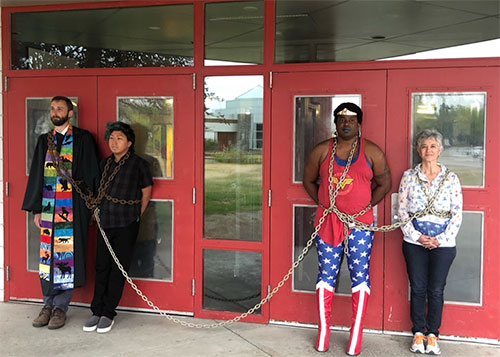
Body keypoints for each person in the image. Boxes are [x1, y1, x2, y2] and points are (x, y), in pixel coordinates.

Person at [303, 103, 391, 355]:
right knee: (325, 276)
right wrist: (324, 204)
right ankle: (323, 334)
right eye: (342, 120)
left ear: (359, 123)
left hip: (360, 225)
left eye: (352, 120)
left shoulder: (372, 151)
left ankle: (355, 339)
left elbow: (385, 183)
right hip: (327, 222)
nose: (346, 124)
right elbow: (308, 179)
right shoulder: (322, 151)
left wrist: (365, 206)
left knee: (359, 277)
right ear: (335, 123)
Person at [22, 96, 100, 329]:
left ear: (70, 113)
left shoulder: (83, 139)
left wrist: (92, 206)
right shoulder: (43, 141)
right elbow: (37, 174)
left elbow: (91, 173)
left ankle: (60, 308)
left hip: (73, 206)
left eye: (60, 108)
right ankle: (47, 304)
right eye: (52, 108)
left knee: (66, 255)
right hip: (48, 207)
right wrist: (36, 209)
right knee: (48, 255)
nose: (55, 111)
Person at [83, 121, 153, 334]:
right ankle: (96, 310)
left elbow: (146, 191)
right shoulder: (104, 164)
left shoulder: (139, 164)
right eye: (112, 138)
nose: (114, 142)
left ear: (129, 143)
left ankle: (108, 312)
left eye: (119, 138)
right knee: (101, 266)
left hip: (126, 224)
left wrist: (135, 216)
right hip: (105, 225)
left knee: (117, 269)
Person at [398, 129, 462, 355]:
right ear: (418, 150)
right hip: (414, 243)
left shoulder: (451, 178)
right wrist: (417, 237)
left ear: (440, 150)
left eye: (433, 146)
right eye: (424, 146)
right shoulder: (408, 176)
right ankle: (417, 332)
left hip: (443, 245)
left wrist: (440, 239)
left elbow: (457, 213)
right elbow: (402, 211)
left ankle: (433, 334)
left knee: (435, 290)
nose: (428, 150)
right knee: (417, 288)